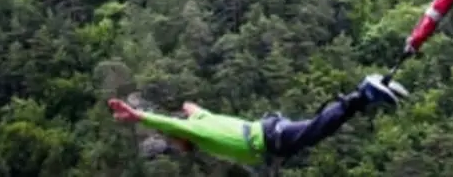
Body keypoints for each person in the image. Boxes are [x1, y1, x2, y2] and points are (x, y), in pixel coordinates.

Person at [107, 73, 408, 168]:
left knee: (316, 130)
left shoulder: (197, 132)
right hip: (270, 135)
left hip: (270, 137)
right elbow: (195, 111)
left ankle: (363, 94)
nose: (179, 145)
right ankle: (367, 95)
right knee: (316, 130)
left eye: (178, 141)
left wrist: (138, 116)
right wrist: (191, 108)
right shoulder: (204, 121)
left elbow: (175, 125)